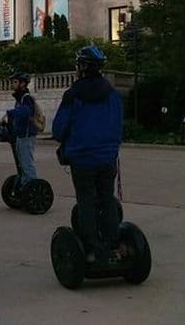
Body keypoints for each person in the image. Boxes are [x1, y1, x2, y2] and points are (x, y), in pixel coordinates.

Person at [52, 45, 123, 264]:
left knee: (86, 201)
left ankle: (93, 249)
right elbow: (119, 125)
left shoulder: (73, 95)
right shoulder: (112, 94)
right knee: (107, 199)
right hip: (107, 158)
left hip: (82, 158)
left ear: (82, 67)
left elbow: (58, 130)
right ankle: (112, 244)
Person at [7, 72, 38, 187]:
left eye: (15, 82)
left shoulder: (26, 98)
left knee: (27, 164)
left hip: (27, 136)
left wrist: (11, 113)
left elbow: (27, 111)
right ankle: (24, 184)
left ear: (23, 83)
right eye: (12, 82)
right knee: (21, 164)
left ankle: (32, 186)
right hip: (20, 136)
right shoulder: (19, 99)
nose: (12, 84)